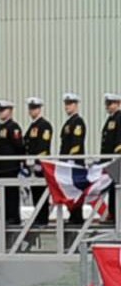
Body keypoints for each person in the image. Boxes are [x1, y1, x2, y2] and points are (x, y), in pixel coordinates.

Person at [0, 99, 23, 226]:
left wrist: (21, 162)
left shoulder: (13, 127)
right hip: (1, 166)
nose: (0, 113)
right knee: (3, 194)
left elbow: (19, 146)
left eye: (3, 110)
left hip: (10, 166)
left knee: (11, 193)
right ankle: (5, 215)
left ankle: (13, 216)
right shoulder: (0, 127)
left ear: (10, 111)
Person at [24, 96, 53, 223]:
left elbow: (43, 146)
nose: (32, 111)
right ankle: (37, 216)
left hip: (40, 164)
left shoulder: (44, 125)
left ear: (39, 109)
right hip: (31, 164)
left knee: (41, 191)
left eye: (34, 108)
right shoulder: (32, 126)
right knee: (35, 191)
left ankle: (42, 218)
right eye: (30, 108)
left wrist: (38, 162)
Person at [60, 93, 88, 222]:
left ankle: (77, 216)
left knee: (76, 190)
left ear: (76, 105)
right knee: (70, 190)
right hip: (67, 161)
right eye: (66, 104)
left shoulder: (78, 122)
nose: (67, 107)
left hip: (74, 161)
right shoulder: (68, 123)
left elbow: (77, 143)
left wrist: (70, 158)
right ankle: (73, 214)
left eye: (70, 104)